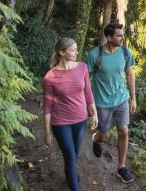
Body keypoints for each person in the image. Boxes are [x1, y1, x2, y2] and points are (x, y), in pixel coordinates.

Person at [43, 38, 98, 191]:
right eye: (73, 50)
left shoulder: (82, 68)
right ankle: (74, 184)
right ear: (62, 52)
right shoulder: (50, 76)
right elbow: (47, 106)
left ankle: (70, 174)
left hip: (80, 120)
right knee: (69, 156)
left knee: (73, 155)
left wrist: (94, 113)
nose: (77, 52)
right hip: (60, 122)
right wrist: (47, 133)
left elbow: (88, 92)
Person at [87, 23, 136, 183]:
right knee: (105, 135)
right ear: (109, 37)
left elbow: (130, 74)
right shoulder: (95, 55)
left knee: (124, 131)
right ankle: (96, 139)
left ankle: (121, 168)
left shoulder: (125, 52)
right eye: (119, 35)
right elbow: (86, 79)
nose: (123, 37)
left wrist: (133, 98)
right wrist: (88, 103)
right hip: (101, 102)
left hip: (121, 99)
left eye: (123, 34)